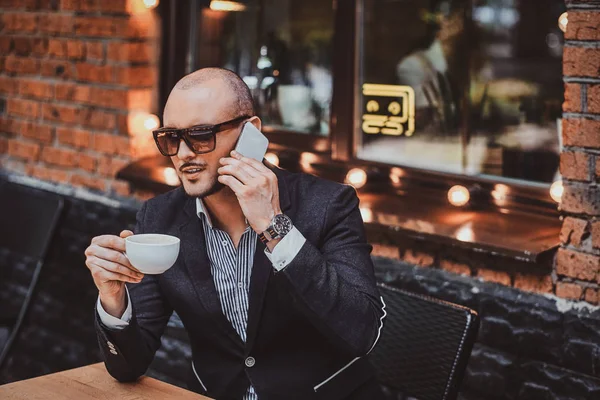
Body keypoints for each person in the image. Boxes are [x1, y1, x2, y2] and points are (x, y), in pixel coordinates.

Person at [84, 67, 386, 400]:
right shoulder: (159, 218)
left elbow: (363, 332)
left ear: (249, 133)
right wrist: (113, 300)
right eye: (171, 138)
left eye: (200, 135)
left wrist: (274, 225)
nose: (183, 154)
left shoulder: (328, 204)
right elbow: (129, 366)